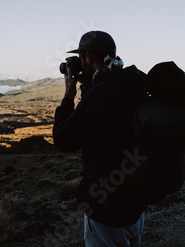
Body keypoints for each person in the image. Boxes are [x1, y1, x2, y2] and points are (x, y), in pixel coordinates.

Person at [53, 31, 148, 246]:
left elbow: (63, 140)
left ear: (87, 57)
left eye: (80, 58)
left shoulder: (102, 93)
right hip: (134, 202)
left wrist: (68, 97)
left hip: (106, 207)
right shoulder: (131, 84)